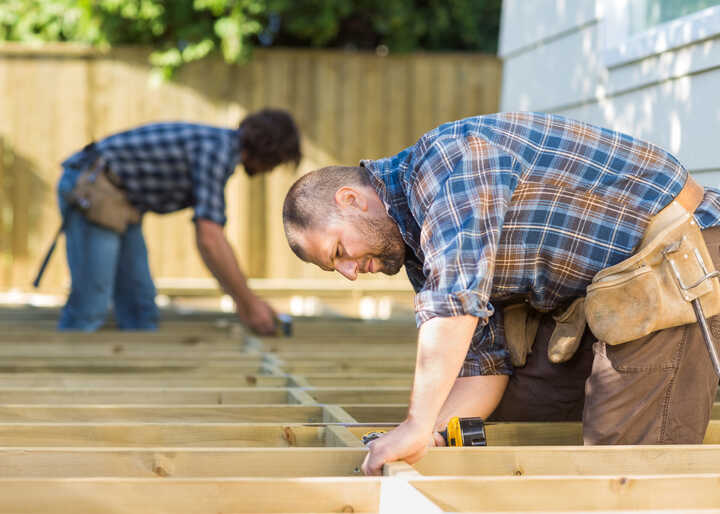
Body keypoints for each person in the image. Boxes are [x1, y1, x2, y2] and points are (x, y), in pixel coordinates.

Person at [282, 112, 720, 474]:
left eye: (338, 251)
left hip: (679, 261)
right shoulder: (420, 248)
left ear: (350, 199)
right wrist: (427, 432)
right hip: (612, 294)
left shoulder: (445, 163)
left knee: (622, 462)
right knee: (522, 410)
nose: (348, 273)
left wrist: (416, 422)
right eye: (334, 267)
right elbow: (483, 364)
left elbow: (456, 297)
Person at [57, 108, 301, 334]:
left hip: (123, 199)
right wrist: (248, 304)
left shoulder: (219, 147)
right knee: (90, 307)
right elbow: (210, 239)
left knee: (140, 311)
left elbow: (210, 241)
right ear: (269, 151)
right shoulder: (216, 151)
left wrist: (246, 302)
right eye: (277, 162)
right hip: (93, 187)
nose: (271, 170)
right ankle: (64, 372)